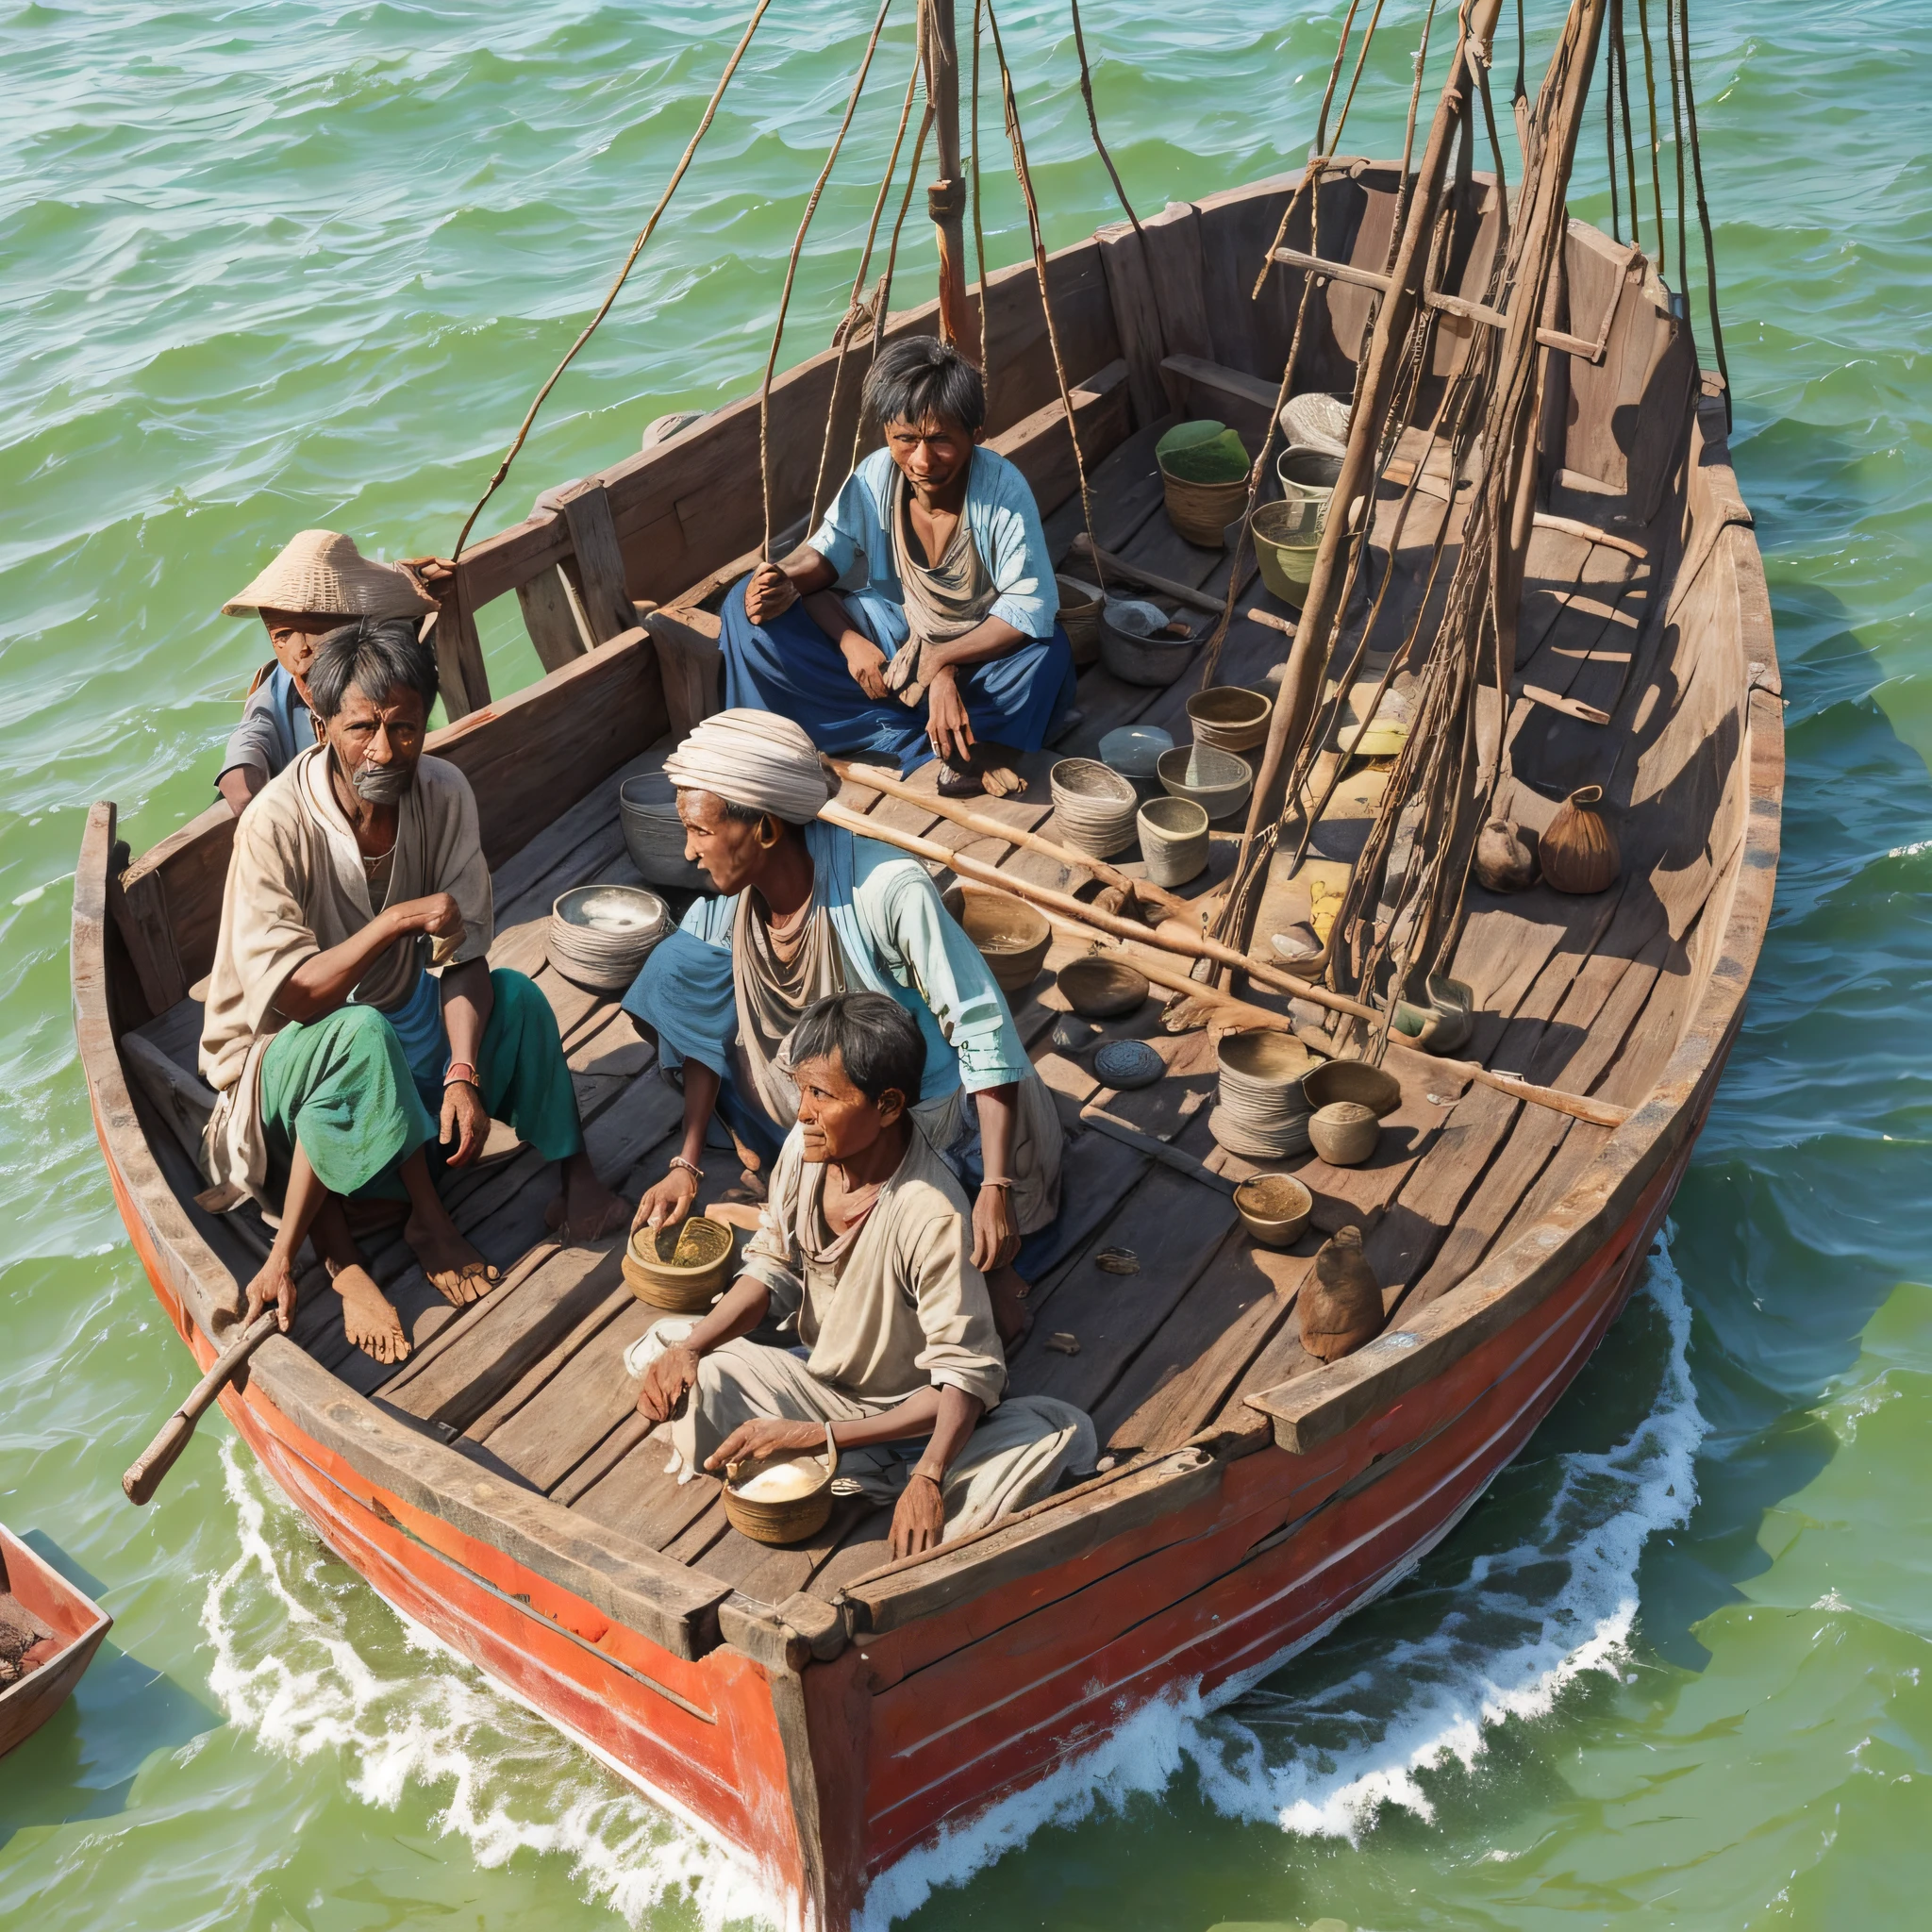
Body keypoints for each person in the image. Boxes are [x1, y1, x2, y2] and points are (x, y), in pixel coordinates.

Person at [198, 617, 629, 1363]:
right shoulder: (273, 823)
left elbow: (463, 958)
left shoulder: (443, 792)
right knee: (361, 1034)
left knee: (515, 998)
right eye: (363, 728)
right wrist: (398, 920)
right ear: (322, 720)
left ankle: (576, 1176)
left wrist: (463, 1073)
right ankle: (354, 1256)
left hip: (390, 1029)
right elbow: (301, 998)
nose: (386, 751)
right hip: (274, 1066)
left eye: (405, 728)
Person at [621, 708, 1062, 1344]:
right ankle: (789, 1171)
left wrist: (995, 1185)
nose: (688, 850)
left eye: (699, 830)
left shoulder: (887, 890)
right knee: (679, 969)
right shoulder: (736, 903)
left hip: (935, 1128)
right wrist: (685, 1163)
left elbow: (984, 1030)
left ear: (765, 829)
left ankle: (973, 1250)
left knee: (902, 1304)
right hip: (834, 1113)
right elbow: (695, 1017)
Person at [631, 991, 1093, 1557]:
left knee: (1048, 1437)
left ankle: (885, 1475)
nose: (802, 1112)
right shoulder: (805, 1150)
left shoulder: (931, 1215)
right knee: (682, 1361)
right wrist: (694, 1349)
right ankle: (844, 1468)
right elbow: (773, 1267)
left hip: (910, 1421)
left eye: (822, 1095)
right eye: (801, 1089)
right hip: (821, 1387)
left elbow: (963, 1379)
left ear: (889, 1105)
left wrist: (923, 1474)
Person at [721, 336, 1076, 797]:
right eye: (905, 440)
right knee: (742, 609)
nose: (922, 461)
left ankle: (925, 727)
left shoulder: (1002, 491)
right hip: (894, 635)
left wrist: (942, 663)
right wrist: (786, 584)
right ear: (888, 433)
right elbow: (828, 554)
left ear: (976, 433)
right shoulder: (875, 475)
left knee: (1048, 654)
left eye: (941, 440)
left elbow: (1030, 608)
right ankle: (940, 737)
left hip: (979, 653)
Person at [215, 529, 440, 817]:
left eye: (314, 629)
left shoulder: (382, 669)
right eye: (283, 635)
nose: (301, 650)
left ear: (352, 624)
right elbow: (251, 741)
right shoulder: (279, 688)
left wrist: (411, 578)